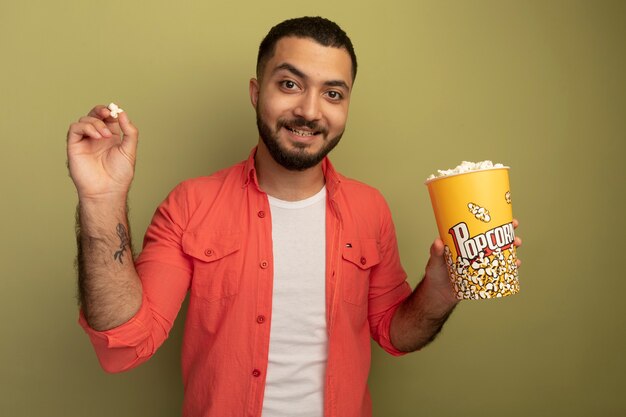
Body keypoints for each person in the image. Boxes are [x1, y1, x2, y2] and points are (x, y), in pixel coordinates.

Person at [67, 16, 521, 417]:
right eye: (289, 84)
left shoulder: (370, 210)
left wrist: (440, 291)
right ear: (254, 91)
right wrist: (102, 200)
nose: (309, 110)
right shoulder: (191, 204)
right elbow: (123, 345)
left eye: (333, 93)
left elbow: (394, 333)